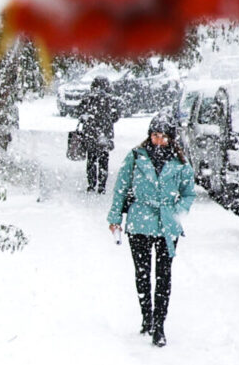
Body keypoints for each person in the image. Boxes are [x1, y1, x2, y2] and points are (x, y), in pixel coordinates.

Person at [107, 112, 197, 346]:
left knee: (164, 276)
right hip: (139, 223)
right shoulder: (136, 157)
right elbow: (121, 187)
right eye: (155, 136)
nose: (158, 141)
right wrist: (115, 217)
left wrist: (178, 211)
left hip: (167, 224)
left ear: (171, 138)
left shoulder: (180, 163)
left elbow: (189, 193)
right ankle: (146, 316)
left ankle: (160, 325)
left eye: (163, 137)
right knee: (143, 273)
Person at [77, 76, 123, 193]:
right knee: (104, 159)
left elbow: (80, 113)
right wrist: (108, 120)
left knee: (91, 159)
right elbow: (116, 115)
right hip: (105, 133)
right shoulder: (111, 99)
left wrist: (88, 119)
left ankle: (91, 184)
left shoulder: (88, 98)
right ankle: (102, 185)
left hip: (90, 132)